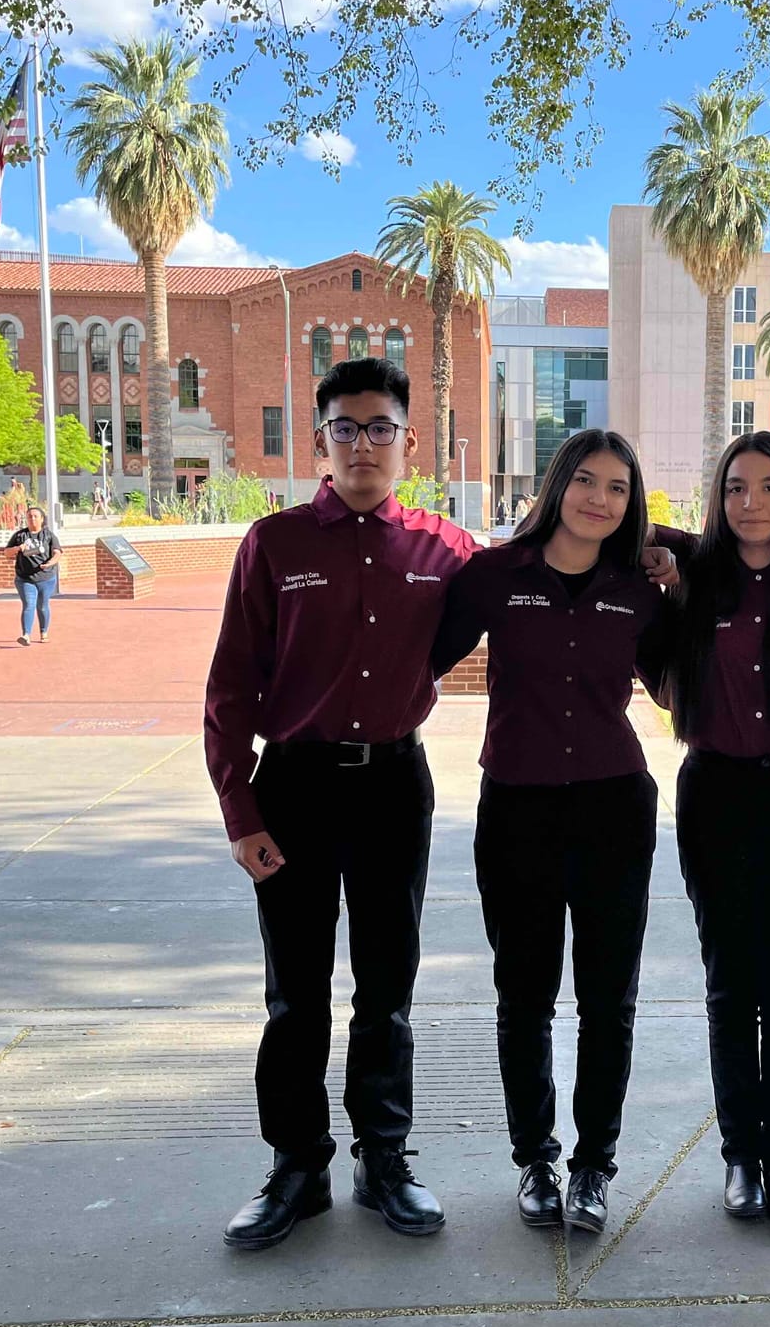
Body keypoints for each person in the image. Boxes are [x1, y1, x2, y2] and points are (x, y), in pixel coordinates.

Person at [205, 356, 475, 1249]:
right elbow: (229, 693)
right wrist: (242, 813)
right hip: (294, 789)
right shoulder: (275, 544)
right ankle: (297, 1168)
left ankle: (383, 1159)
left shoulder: (446, 550)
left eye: (381, 429)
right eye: (346, 430)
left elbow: (544, 584)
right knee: (296, 998)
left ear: (409, 441)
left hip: (395, 785)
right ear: (321, 441)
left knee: (388, 991)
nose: (365, 446)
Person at [432, 430, 665, 1238]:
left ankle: (594, 1166)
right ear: (558, 483)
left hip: (614, 808)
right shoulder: (496, 576)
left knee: (609, 1001)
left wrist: (681, 560)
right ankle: (536, 1158)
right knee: (523, 998)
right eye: (587, 482)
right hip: (518, 810)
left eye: (620, 489)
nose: (600, 500)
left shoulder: (640, 587)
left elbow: (677, 684)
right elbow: (415, 655)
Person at [655, 431, 770, 1224]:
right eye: (736, 487)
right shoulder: (694, 575)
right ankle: (741, 1156)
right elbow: (600, 526)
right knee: (732, 985)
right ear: (718, 498)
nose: (752, 503)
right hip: (716, 793)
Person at [3, 505, 61, 645]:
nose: (32, 519)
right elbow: (6, 553)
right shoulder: (20, 535)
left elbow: (57, 553)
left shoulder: (48, 535)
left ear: (42, 519)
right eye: (29, 516)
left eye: (35, 516)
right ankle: (26, 635)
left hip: (46, 577)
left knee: (42, 605)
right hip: (25, 578)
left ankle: (43, 632)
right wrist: (18, 548)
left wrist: (50, 563)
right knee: (29, 604)